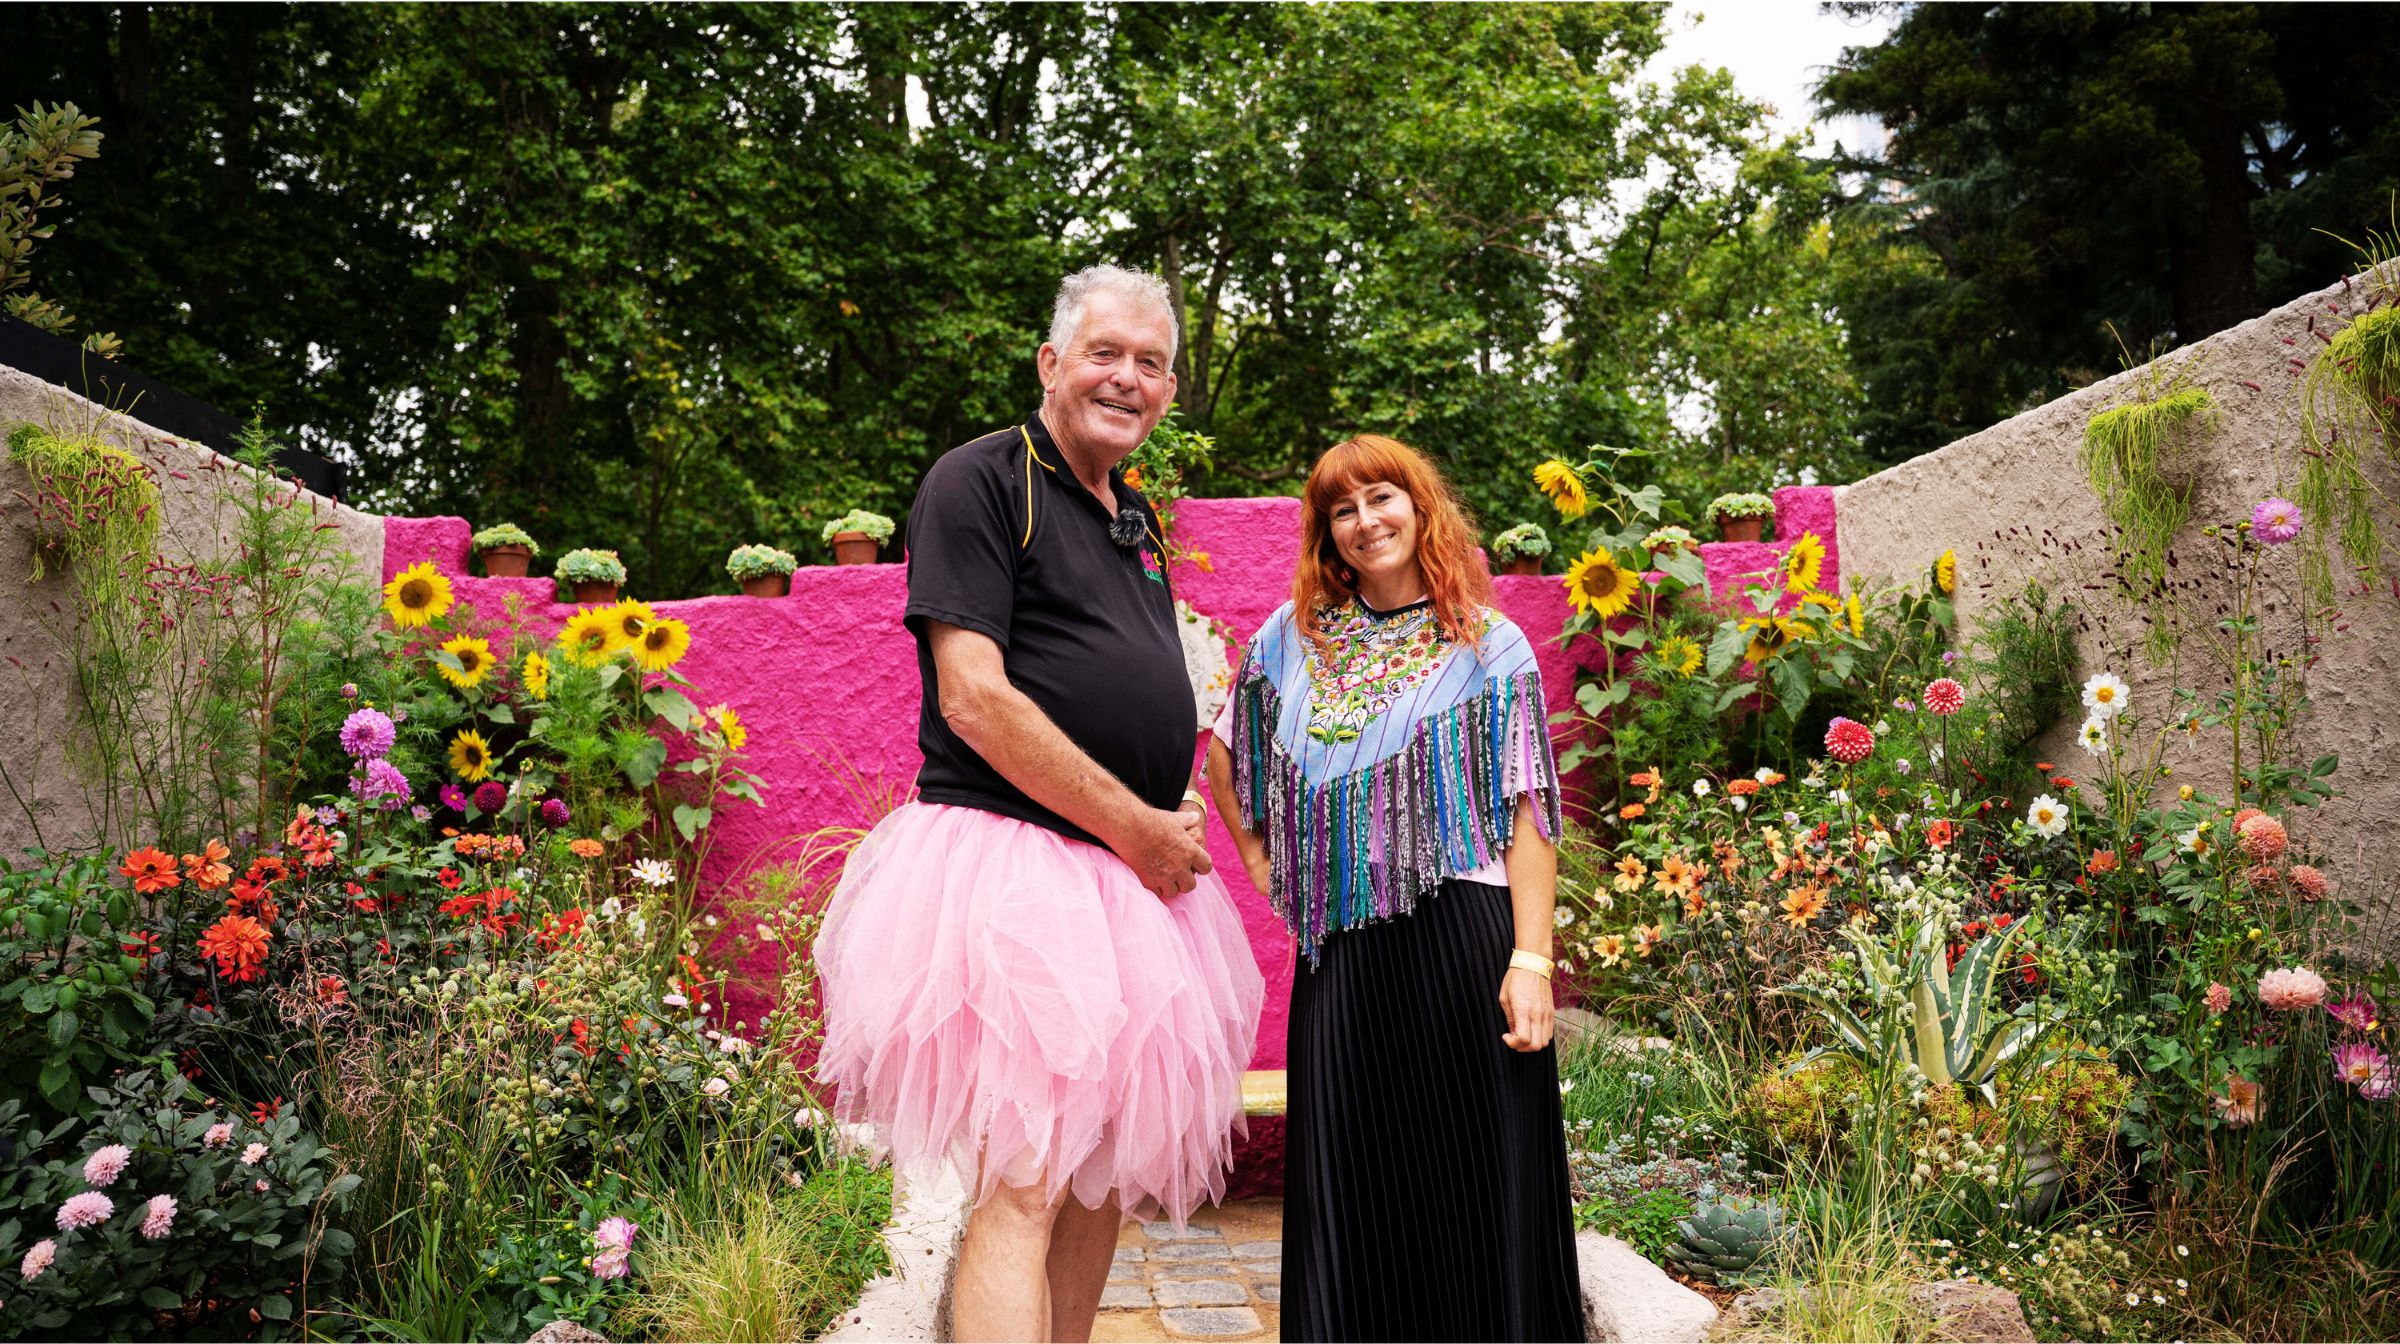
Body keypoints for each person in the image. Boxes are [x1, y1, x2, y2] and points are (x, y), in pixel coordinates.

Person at [814, 266, 1264, 1343]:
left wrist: (1170, 806)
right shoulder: (979, 481)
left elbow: (1137, 686)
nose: (1128, 378)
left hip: (1126, 887)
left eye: (1151, 363)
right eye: (1105, 353)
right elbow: (973, 697)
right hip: (1019, 876)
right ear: (1051, 364)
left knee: (1097, 1181)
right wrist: (1136, 824)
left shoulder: (1134, 516)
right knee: (1026, 1180)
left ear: (1169, 391)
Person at [1204, 435, 1583, 1342]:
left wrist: (1532, 960)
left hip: (1464, 937)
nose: (1366, 521)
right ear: (1326, 533)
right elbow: (1224, 749)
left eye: (1382, 498)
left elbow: (1530, 810)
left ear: (1421, 508)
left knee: (1472, 1178)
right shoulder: (1293, 640)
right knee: (1348, 1180)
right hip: (1340, 952)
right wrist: (1264, 866)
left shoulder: (1489, 645)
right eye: (1343, 509)